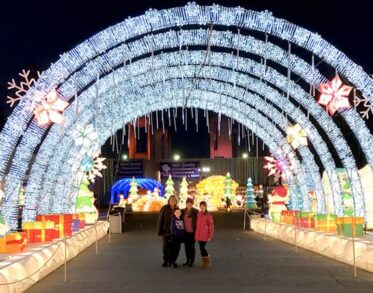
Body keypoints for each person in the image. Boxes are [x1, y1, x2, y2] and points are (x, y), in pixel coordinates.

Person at [157, 195, 178, 267]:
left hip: (174, 232)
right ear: (169, 201)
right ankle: (165, 261)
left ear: (176, 201)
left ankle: (172, 261)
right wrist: (159, 231)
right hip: (165, 230)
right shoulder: (164, 208)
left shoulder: (177, 209)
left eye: (174, 200)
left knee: (173, 247)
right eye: (171, 200)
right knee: (165, 246)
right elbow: (160, 220)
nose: (172, 201)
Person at [195, 201, 214, 269]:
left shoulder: (208, 215)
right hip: (199, 234)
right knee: (201, 248)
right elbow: (197, 225)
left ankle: (207, 260)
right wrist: (196, 235)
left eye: (203, 207)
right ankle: (205, 262)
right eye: (201, 207)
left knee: (202, 248)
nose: (202, 208)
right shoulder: (199, 214)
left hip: (205, 235)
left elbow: (211, 226)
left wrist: (210, 236)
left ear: (205, 207)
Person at [181, 198, 198, 267]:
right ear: (186, 204)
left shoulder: (195, 211)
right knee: (186, 247)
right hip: (185, 232)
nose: (189, 205)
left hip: (192, 232)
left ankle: (192, 261)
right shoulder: (183, 211)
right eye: (188, 203)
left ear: (192, 204)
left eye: (190, 203)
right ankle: (187, 260)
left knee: (191, 247)